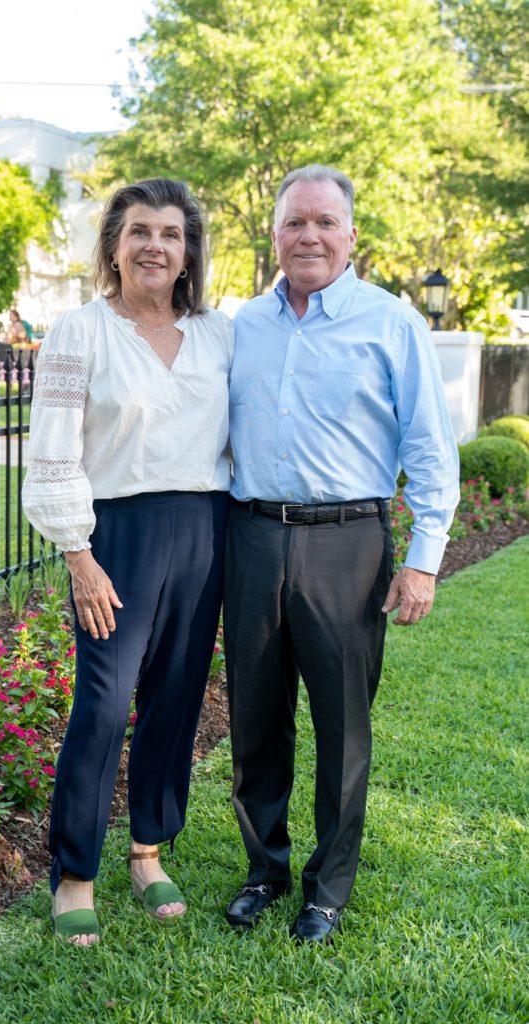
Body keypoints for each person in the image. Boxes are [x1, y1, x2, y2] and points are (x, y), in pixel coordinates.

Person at [224, 164, 459, 944]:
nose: (309, 236)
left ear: (350, 235)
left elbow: (429, 448)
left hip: (347, 543)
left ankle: (325, 889)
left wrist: (422, 560)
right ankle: (264, 870)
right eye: (295, 222)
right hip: (252, 536)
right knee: (256, 720)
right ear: (274, 235)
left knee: (341, 724)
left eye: (324, 222)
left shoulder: (390, 323)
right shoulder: (241, 325)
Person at [21, 178, 232, 946]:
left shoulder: (217, 334)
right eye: (139, 230)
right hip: (116, 538)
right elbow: (52, 451)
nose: (154, 245)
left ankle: (147, 852)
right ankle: (75, 873)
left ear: (188, 253)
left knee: (175, 700)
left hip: (205, 530)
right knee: (105, 706)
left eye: (171, 234)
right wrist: (79, 556)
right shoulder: (80, 331)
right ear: (114, 245)